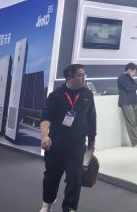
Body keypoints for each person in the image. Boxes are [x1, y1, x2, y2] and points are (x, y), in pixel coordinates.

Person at [39, 64, 96, 212]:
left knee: (74, 179)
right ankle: (47, 203)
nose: (83, 78)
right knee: (51, 177)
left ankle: (70, 208)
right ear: (69, 78)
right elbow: (46, 118)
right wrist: (44, 136)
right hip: (56, 144)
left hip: (77, 146)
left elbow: (92, 118)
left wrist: (92, 139)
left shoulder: (88, 95)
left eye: (84, 75)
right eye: (80, 75)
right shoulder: (55, 96)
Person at [117, 62, 137, 148]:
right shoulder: (121, 77)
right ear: (129, 70)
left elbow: (134, 88)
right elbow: (129, 87)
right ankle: (135, 142)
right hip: (126, 103)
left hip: (135, 102)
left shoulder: (130, 78)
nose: (134, 74)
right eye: (134, 72)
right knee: (131, 122)